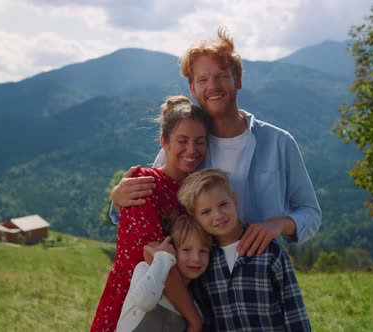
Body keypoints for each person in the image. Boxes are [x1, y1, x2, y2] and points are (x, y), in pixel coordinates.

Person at [110, 27, 321, 257]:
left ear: (237, 80)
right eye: (202, 79)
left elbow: (311, 213)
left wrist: (279, 223)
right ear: (192, 88)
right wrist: (118, 201)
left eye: (221, 76)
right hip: (200, 276)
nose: (212, 86)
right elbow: (151, 200)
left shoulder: (279, 143)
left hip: (262, 271)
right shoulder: (187, 147)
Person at [90, 96, 210, 332]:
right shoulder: (144, 184)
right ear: (164, 142)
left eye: (200, 141)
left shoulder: (194, 193)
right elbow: (156, 259)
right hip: (134, 305)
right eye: (182, 141)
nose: (192, 150)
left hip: (172, 309)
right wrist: (194, 318)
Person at [178, 168, 311, 331]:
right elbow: (206, 318)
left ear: (235, 202)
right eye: (206, 211)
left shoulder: (268, 249)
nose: (218, 215)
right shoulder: (203, 258)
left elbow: (293, 309)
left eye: (223, 205)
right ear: (194, 217)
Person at [117, 215, 212, 332]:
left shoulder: (194, 305)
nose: (196, 258)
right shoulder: (145, 269)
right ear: (172, 249)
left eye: (203, 251)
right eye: (186, 250)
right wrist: (163, 258)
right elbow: (144, 301)